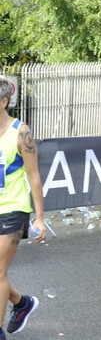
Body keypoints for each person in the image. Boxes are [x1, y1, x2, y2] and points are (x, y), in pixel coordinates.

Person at [0, 79, 47, 339]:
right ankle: (21, 303)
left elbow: (34, 176)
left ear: (4, 102)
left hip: (13, 209)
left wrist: (39, 218)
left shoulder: (21, 132)